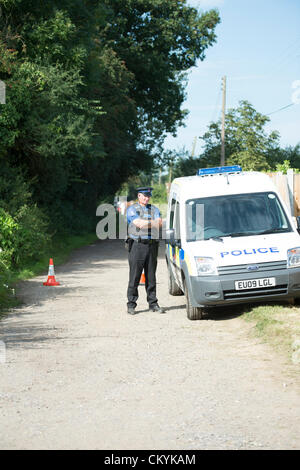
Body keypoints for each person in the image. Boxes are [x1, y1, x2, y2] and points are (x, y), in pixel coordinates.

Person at [126, 187, 165, 315]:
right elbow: (139, 224)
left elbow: (159, 224)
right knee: (135, 277)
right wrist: (152, 222)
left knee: (151, 276)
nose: (147, 198)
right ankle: (131, 305)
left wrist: (150, 222)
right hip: (138, 245)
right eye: (144, 196)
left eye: (148, 196)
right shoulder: (132, 209)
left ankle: (153, 303)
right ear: (139, 196)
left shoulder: (154, 209)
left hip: (152, 245)